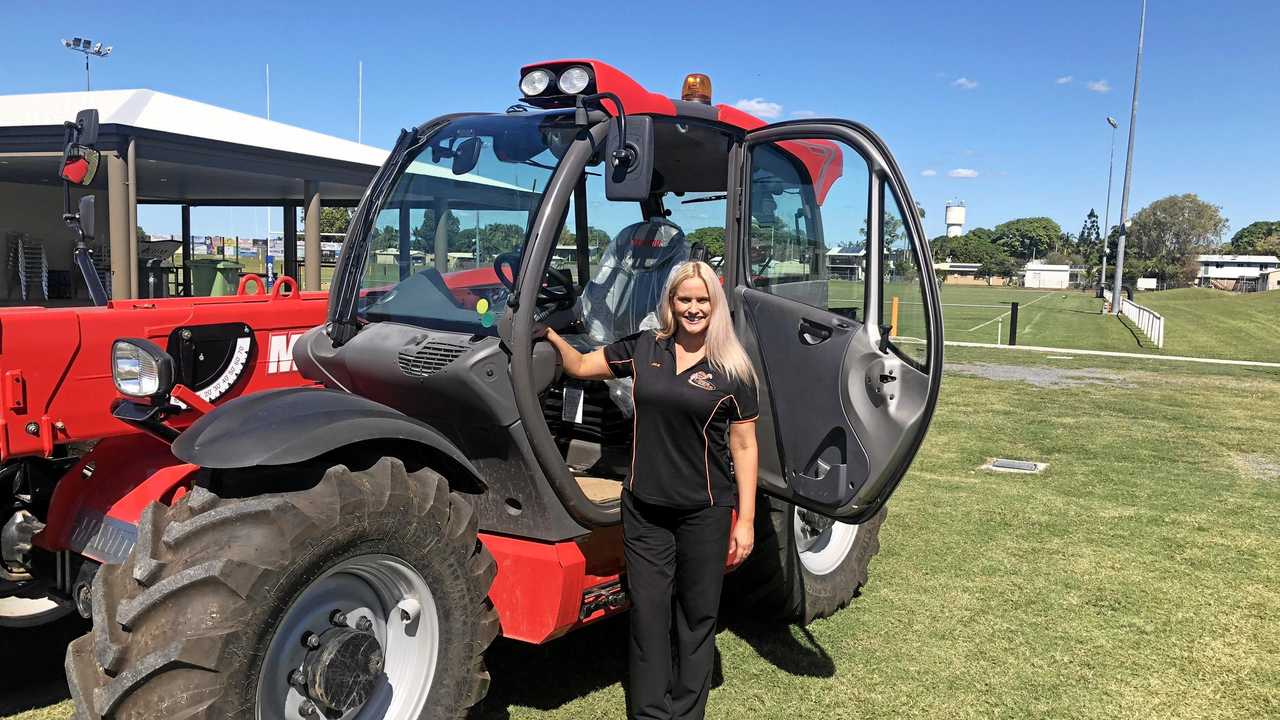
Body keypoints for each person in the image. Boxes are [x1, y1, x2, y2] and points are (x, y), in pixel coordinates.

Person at [544, 260, 759, 720]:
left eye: (703, 300)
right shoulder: (645, 348)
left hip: (705, 510)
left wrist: (747, 520)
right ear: (671, 303)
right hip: (645, 510)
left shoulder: (734, 370)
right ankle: (649, 713)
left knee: (696, 618)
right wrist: (547, 336)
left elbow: (744, 446)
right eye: (685, 299)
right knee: (647, 614)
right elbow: (582, 365)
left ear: (715, 305)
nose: (694, 309)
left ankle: (686, 712)